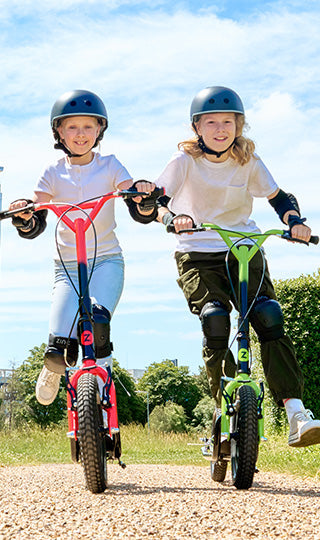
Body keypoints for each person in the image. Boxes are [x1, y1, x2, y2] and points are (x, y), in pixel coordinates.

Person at [155, 85, 320, 448]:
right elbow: (155, 200)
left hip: (243, 248)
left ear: (239, 125)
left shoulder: (248, 160)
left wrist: (294, 222)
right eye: (211, 122)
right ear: (196, 127)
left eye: (227, 122)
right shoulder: (183, 161)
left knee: (268, 316)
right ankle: (223, 407)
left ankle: (295, 411)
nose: (220, 129)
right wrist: (172, 217)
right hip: (198, 252)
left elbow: (279, 198)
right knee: (215, 319)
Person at [9, 89, 155, 406]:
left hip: (105, 261)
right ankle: (54, 368)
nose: (80, 134)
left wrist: (143, 195)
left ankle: (102, 385)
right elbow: (37, 215)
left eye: (88, 127)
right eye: (72, 127)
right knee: (57, 345)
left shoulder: (111, 165)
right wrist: (24, 213)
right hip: (67, 267)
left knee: (97, 320)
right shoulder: (52, 173)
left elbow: (135, 202)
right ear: (58, 132)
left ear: (100, 130)